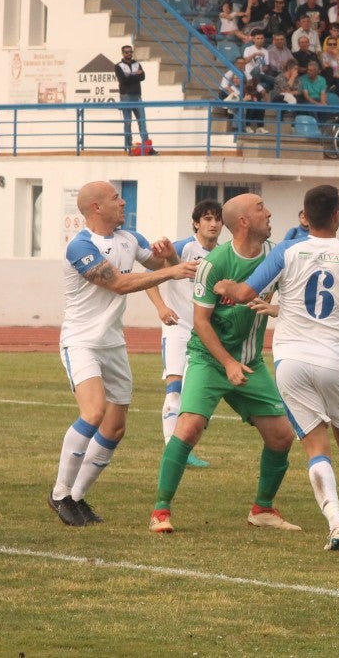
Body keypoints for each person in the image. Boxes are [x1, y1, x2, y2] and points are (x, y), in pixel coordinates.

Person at [214, 185, 339, 550]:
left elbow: (244, 293)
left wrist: (225, 282)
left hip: (291, 361)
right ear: (337, 215)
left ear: (305, 217)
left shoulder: (289, 251)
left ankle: (336, 523)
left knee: (314, 445)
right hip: (336, 361)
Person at [148, 193, 302, 535]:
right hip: (209, 358)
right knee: (188, 428)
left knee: (281, 436)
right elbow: (201, 322)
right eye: (261, 207)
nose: (270, 211)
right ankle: (160, 511)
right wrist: (228, 362)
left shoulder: (278, 256)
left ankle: (262, 509)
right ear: (244, 221)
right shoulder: (214, 263)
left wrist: (274, 310)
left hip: (249, 362)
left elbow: (288, 302)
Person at [49, 181, 197, 527]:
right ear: (96, 207)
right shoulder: (80, 246)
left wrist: (167, 254)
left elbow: (161, 262)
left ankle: (77, 497)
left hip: (112, 343)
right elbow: (118, 282)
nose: (123, 201)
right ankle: (59, 493)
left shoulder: (130, 238)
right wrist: (168, 269)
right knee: (94, 411)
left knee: (115, 429)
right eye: (116, 197)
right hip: (81, 341)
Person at [144, 200, 223, 467]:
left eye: (217, 219)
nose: (213, 224)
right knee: (174, 391)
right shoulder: (182, 248)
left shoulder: (223, 254)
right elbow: (149, 275)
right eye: (208, 219)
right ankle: (172, 450)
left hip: (206, 334)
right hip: (178, 330)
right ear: (196, 223)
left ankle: (184, 448)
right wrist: (161, 306)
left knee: (195, 396)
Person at [114, 44, 150, 155]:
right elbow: (123, 80)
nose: (129, 54)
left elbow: (143, 77)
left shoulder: (137, 64)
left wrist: (129, 75)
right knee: (128, 123)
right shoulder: (118, 66)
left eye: (130, 52)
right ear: (122, 53)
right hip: (126, 97)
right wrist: (135, 75)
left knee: (142, 122)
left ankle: (147, 147)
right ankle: (129, 147)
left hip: (137, 96)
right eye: (126, 52)